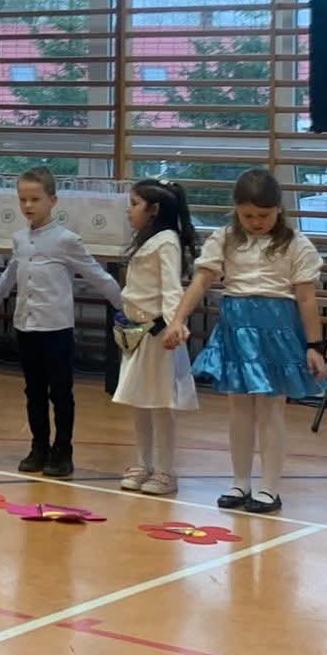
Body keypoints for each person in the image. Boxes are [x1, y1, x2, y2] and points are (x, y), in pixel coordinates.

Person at [162, 169, 327, 515]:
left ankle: (269, 487)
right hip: (236, 327)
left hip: (277, 330)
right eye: (247, 215)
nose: (256, 222)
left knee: (270, 408)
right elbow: (201, 281)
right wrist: (178, 319)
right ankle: (240, 482)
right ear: (236, 209)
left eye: (264, 215)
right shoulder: (224, 239)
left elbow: (306, 298)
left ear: (279, 209)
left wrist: (315, 346)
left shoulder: (296, 244)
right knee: (238, 408)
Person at [0, 166, 125, 479]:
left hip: (56, 329)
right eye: (23, 199)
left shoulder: (66, 240)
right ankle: (38, 447)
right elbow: (8, 277)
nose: (28, 205)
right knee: (34, 391)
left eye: (35, 199)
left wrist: (126, 306)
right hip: (26, 327)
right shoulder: (19, 239)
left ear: (52, 201)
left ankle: (62, 450)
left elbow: (97, 275)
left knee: (61, 393)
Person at [113, 179, 200, 495]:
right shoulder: (147, 239)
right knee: (139, 401)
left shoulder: (166, 241)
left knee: (162, 403)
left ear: (154, 209)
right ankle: (142, 463)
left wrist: (176, 324)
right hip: (137, 333)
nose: (129, 210)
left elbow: (171, 288)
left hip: (159, 334)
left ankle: (165, 470)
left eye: (135, 204)